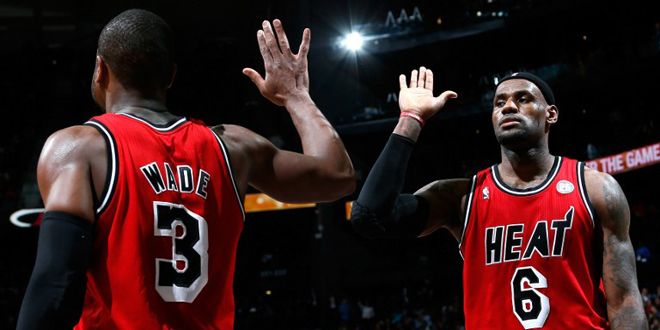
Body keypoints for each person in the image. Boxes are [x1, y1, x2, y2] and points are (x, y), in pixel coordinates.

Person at [17, 9, 355, 329]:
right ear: (171, 77)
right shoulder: (233, 147)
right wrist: (297, 98)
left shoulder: (80, 147)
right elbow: (338, 178)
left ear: (100, 69)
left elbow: (55, 282)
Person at [351, 67, 647, 329]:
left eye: (523, 99)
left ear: (550, 115)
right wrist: (411, 119)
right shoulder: (462, 197)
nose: (508, 107)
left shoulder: (596, 188)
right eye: (499, 102)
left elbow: (625, 303)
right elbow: (370, 217)